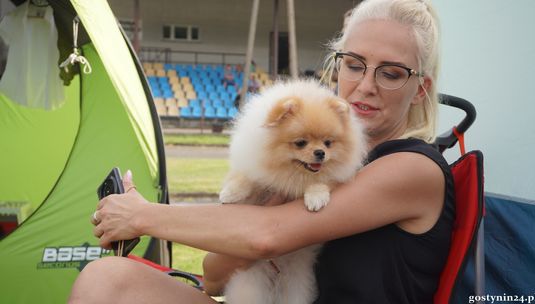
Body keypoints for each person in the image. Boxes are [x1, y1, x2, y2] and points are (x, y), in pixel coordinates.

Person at [68, 0, 453, 303]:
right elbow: (215, 275)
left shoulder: (414, 170)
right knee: (107, 279)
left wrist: (142, 215)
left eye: (390, 73)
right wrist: (251, 215)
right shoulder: (303, 165)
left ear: (420, 88)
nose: (365, 85)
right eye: (353, 65)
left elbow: (267, 236)